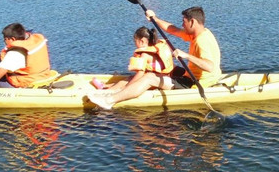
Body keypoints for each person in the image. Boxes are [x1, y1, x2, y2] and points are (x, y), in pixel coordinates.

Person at [88, 6, 221, 110]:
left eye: (184, 22)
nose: (182, 25)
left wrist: (185, 55)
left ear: (192, 22)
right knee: (160, 71)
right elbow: (173, 29)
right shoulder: (200, 33)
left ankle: (109, 101)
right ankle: (115, 90)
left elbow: (209, 66)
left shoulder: (202, 41)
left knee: (149, 78)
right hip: (191, 74)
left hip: (196, 83)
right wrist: (155, 18)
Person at [92, 25, 174, 97]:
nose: (135, 44)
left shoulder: (144, 55)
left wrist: (127, 87)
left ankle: (108, 92)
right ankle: (107, 87)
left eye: (135, 41)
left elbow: (140, 74)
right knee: (129, 78)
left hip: (155, 82)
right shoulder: (156, 47)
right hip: (162, 78)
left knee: (129, 81)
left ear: (142, 41)